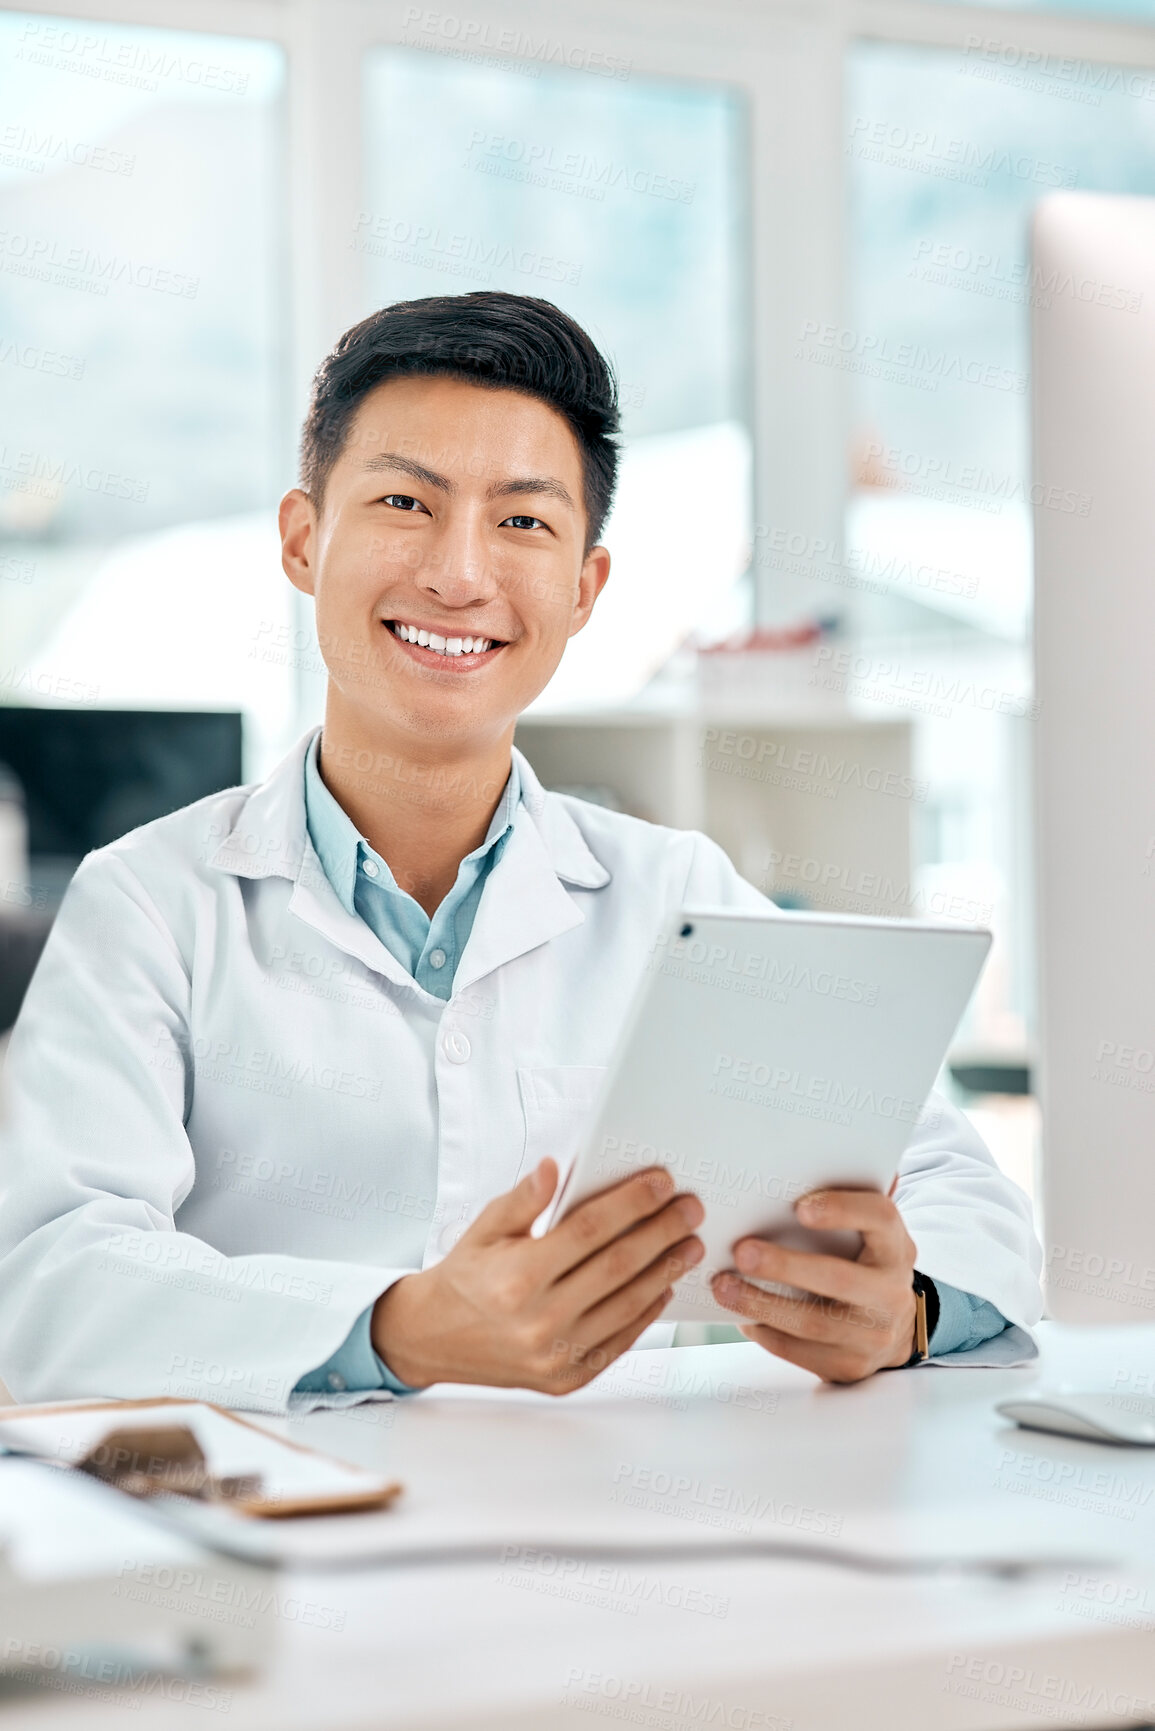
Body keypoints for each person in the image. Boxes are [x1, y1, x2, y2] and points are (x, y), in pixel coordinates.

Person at [0, 293, 1042, 1412]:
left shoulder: (675, 893)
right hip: (275, 1540)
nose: (459, 575)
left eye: (525, 522)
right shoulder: (152, 907)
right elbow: (48, 1280)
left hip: (600, 1536)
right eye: (406, 501)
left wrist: (909, 1309)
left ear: (586, 587)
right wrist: (396, 1329)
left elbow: (959, 1189)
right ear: (305, 541)